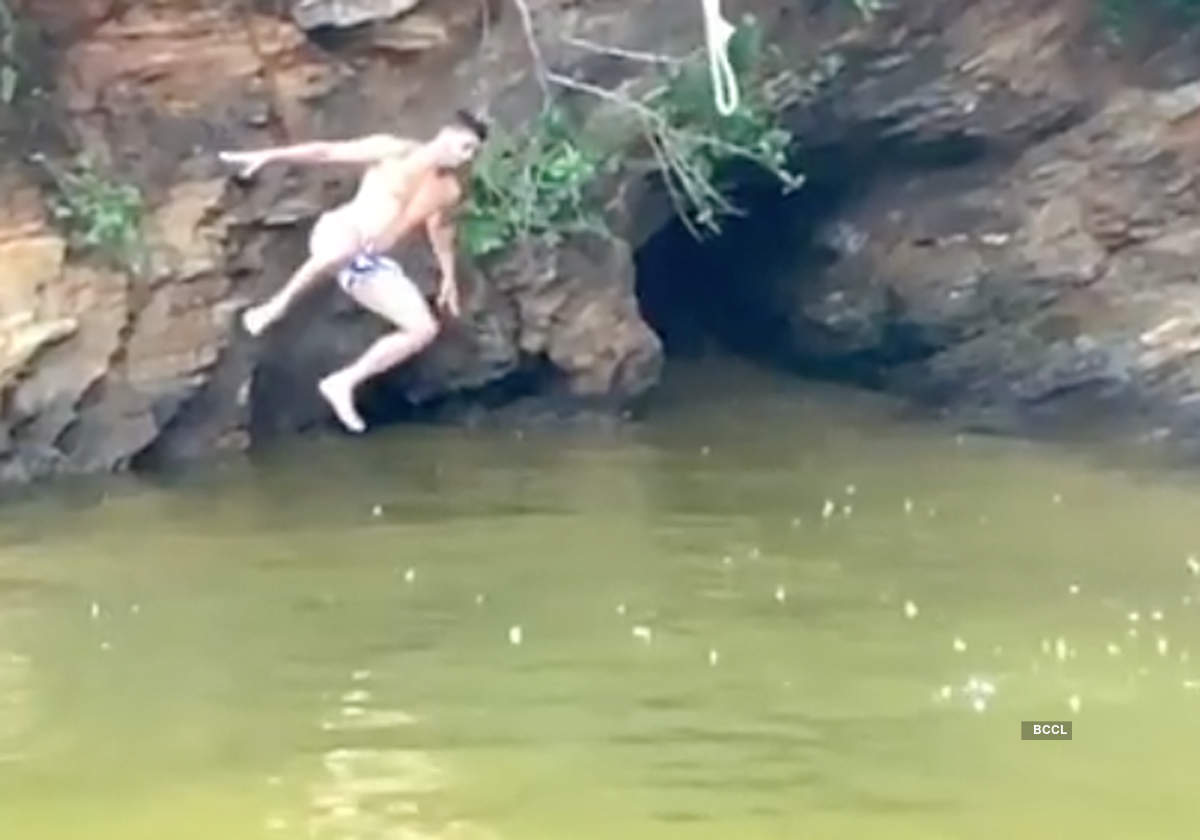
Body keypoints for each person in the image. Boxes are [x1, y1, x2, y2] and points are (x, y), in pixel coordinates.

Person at [217, 111, 488, 433]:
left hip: (365, 262)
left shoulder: (446, 188)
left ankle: (343, 382)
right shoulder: (393, 151)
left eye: (471, 152)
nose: (464, 157)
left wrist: (448, 278)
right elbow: (327, 152)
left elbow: (439, 227)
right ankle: (274, 307)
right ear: (445, 134)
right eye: (464, 146)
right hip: (340, 230)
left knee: (423, 329)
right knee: (341, 248)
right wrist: (270, 156)